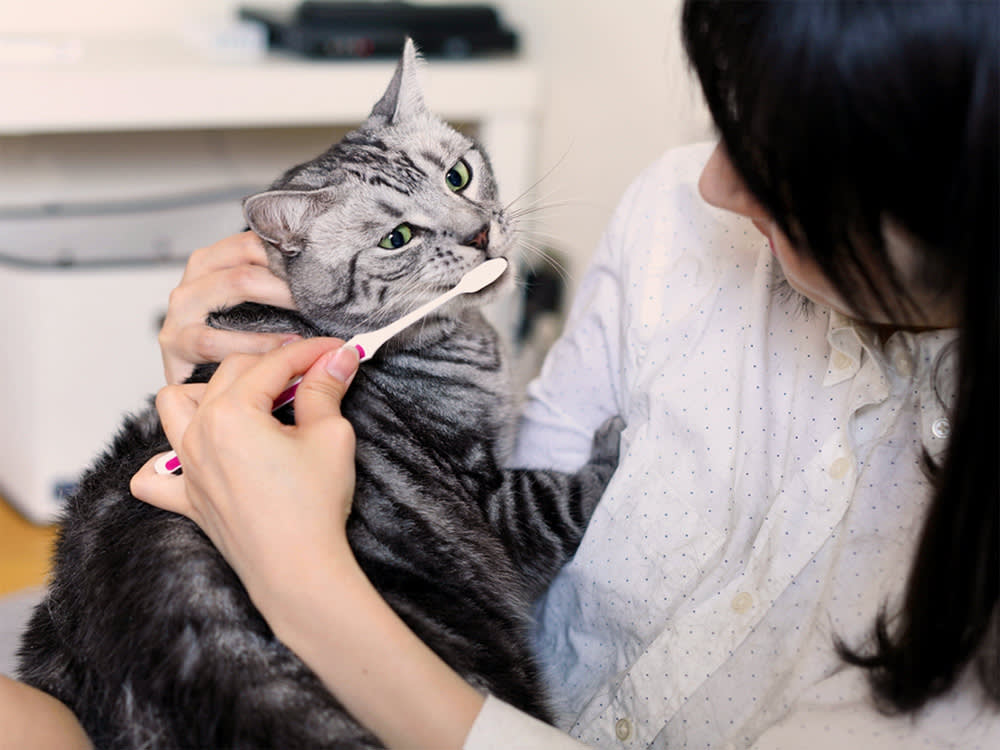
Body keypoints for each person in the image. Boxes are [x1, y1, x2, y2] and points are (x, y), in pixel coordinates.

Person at [2, 1, 996, 748]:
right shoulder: (672, 219)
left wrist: (296, 570)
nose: (712, 182)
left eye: (789, 163)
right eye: (729, 116)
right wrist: (214, 390)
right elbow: (486, 505)